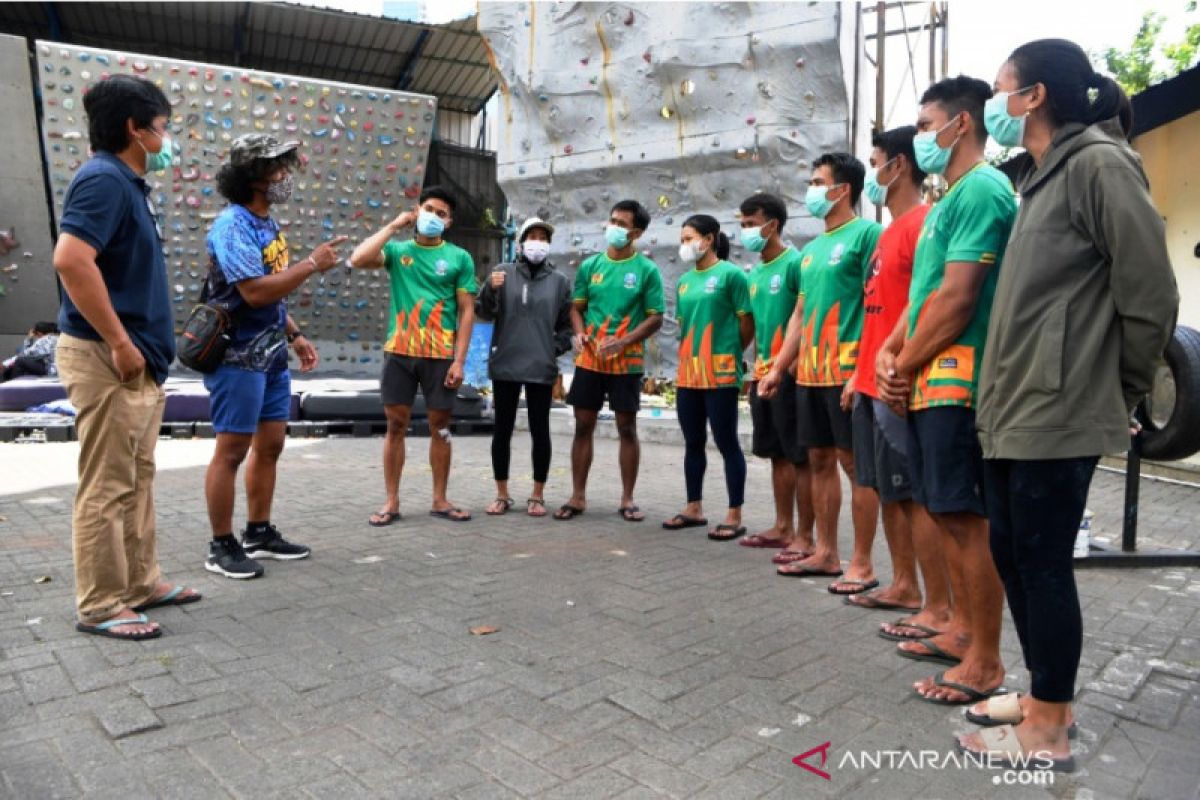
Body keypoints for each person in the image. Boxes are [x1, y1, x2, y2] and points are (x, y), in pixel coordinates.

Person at [959, 40, 1178, 768]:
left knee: (1042, 562)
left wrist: (1120, 391)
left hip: (1058, 408)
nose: (996, 102)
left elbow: (1150, 292)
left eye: (1002, 89)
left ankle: (1050, 727)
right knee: (1012, 554)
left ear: (1035, 97)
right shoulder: (1039, 177)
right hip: (1013, 407)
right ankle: (1039, 695)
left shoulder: (1099, 163)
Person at [876, 75, 1017, 706]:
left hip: (958, 383)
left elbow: (960, 300)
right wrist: (892, 349)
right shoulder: (949, 196)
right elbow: (928, 292)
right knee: (945, 512)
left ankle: (985, 660)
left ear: (962, 124)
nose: (921, 135)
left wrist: (903, 360)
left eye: (927, 124)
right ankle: (960, 630)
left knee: (966, 520)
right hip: (928, 379)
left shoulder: (983, 189)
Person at [52, 75, 199, 639]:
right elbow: (71, 260)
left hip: (136, 363)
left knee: (136, 481)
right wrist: (118, 341)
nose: (167, 139)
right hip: (109, 359)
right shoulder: (105, 180)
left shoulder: (127, 184)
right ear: (134, 130)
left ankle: (141, 584)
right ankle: (100, 604)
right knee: (107, 486)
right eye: (162, 128)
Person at [202, 134, 348, 579]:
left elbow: (273, 294)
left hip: (269, 357)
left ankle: (258, 532)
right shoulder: (232, 226)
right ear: (252, 177)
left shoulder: (268, 226)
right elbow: (253, 290)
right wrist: (311, 264)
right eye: (275, 169)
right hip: (236, 358)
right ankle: (221, 545)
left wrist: (296, 335)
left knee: (271, 446)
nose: (285, 176)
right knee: (231, 451)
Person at [759, 153, 882, 590]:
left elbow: (877, 308)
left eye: (817, 181)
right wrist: (778, 368)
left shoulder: (868, 235)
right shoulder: (809, 253)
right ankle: (826, 553)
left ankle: (862, 563)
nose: (810, 190)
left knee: (856, 465)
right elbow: (799, 314)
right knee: (817, 460)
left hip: (847, 373)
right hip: (809, 375)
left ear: (841, 189)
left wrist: (862, 371)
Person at [843, 127, 937, 617]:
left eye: (875, 159)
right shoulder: (887, 234)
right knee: (887, 491)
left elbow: (926, 304)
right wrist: (856, 375)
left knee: (912, 494)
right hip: (866, 383)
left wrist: (899, 365)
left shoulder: (924, 224)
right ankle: (903, 583)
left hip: (897, 384)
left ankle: (932, 597)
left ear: (897, 166)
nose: (871, 170)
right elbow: (876, 311)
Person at [349, 186, 477, 524]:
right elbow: (359, 259)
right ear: (416, 211)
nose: (434, 217)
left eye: (442, 214)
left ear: (449, 222)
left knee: (441, 427)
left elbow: (467, 312)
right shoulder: (397, 250)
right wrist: (393, 225)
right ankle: (391, 502)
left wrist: (460, 360)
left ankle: (440, 499)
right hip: (399, 354)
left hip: (440, 356)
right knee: (395, 425)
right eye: (429, 210)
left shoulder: (459, 258)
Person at [554, 200, 664, 522]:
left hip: (626, 364)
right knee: (583, 426)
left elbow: (656, 317)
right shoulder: (590, 267)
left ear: (637, 232)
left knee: (627, 428)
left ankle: (628, 499)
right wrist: (580, 333)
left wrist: (625, 341)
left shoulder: (647, 270)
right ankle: (577, 496)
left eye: (621, 223)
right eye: (612, 220)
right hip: (590, 361)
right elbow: (577, 307)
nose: (613, 227)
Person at [661, 215, 753, 539]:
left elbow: (746, 323)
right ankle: (694, 507)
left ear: (709, 239)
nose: (685, 245)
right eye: (682, 239)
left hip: (721, 374)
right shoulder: (684, 282)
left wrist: (731, 351)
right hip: (689, 374)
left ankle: (734, 513)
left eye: (689, 238)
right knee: (693, 442)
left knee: (727, 442)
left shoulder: (731, 276)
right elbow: (685, 328)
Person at [475, 217, 573, 517]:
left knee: (540, 431)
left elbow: (567, 328)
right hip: (506, 362)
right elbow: (482, 311)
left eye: (544, 237)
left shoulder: (559, 282)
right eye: (533, 235)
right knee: (502, 430)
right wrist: (491, 289)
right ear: (520, 241)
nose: (538, 242)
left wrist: (551, 348)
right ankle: (502, 494)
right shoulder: (501, 273)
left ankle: (537, 494)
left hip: (540, 366)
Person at [737, 193, 816, 562]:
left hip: (792, 376)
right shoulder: (755, 273)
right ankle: (782, 526)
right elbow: (759, 327)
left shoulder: (795, 263)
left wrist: (791, 367)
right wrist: (753, 372)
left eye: (751, 223)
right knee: (775, 455)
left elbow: (807, 318)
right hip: (762, 375)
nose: (745, 231)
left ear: (773, 225)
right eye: (742, 224)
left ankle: (805, 535)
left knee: (799, 457)